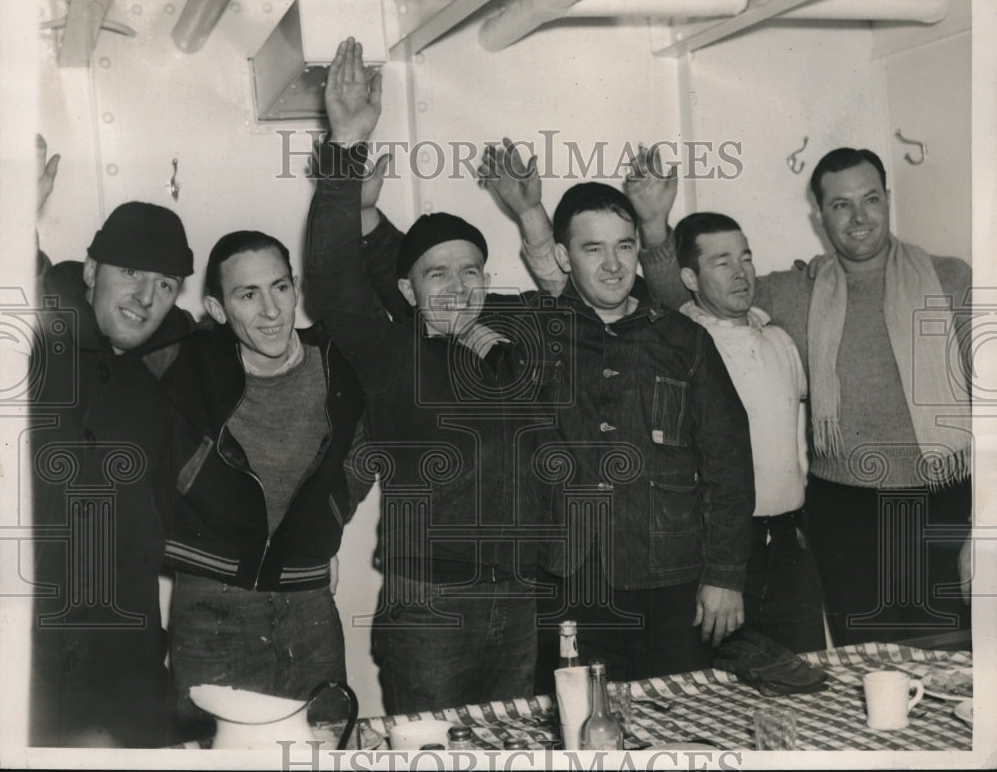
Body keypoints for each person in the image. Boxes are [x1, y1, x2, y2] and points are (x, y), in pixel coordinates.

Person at [305, 38, 555, 714]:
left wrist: (532, 215)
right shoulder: (393, 358)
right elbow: (332, 283)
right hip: (430, 611)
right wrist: (347, 145)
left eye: (470, 269)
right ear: (408, 291)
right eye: (436, 274)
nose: (456, 285)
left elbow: (575, 306)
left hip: (520, 599)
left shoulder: (510, 343)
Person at [640, 148, 973, 647]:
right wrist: (653, 227)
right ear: (820, 216)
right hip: (843, 515)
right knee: (865, 667)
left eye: (870, 199)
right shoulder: (799, 291)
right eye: (841, 205)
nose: (859, 217)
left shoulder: (950, 278)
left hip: (942, 503)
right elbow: (686, 298)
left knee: (949, 663)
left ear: (887, 199)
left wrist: (984, 526)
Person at [481, 145, 755, 688]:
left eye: (625, 246)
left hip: (674, 583)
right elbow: (436, 294)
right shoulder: (534, 335)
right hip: (571, 584)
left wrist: (725, 577)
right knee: (583, 733)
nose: (613, 265)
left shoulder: (685, 339)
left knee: (681, 729)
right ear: (563, 258)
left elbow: (729, 462)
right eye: (593, 249)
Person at [158, 228, 368, 725]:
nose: (271, 311)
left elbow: (364, 451)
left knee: (326, 743)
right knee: (216, 754)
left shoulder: (338, 364)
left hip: (308, 597)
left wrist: (327, 520)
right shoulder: (188, 363)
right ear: (216, 308)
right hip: (211, 603)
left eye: (280, 287)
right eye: (247, 295)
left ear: (296, 288)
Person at [29, 137, 195, 747]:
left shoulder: (178, 369)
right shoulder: (36, 340)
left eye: (166, 284)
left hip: (128, 646)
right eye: (131, 274)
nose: (146, 298)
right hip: (27, 643)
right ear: (93, 271)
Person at [672, 211, 825, 652]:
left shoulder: (780, 340)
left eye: (746, 258)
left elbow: (799, 444)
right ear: (690, 276)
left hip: (792, 547)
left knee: (804, 678)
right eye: (721, 262)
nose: (741, 273)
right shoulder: (679, 346)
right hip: (722, 554)